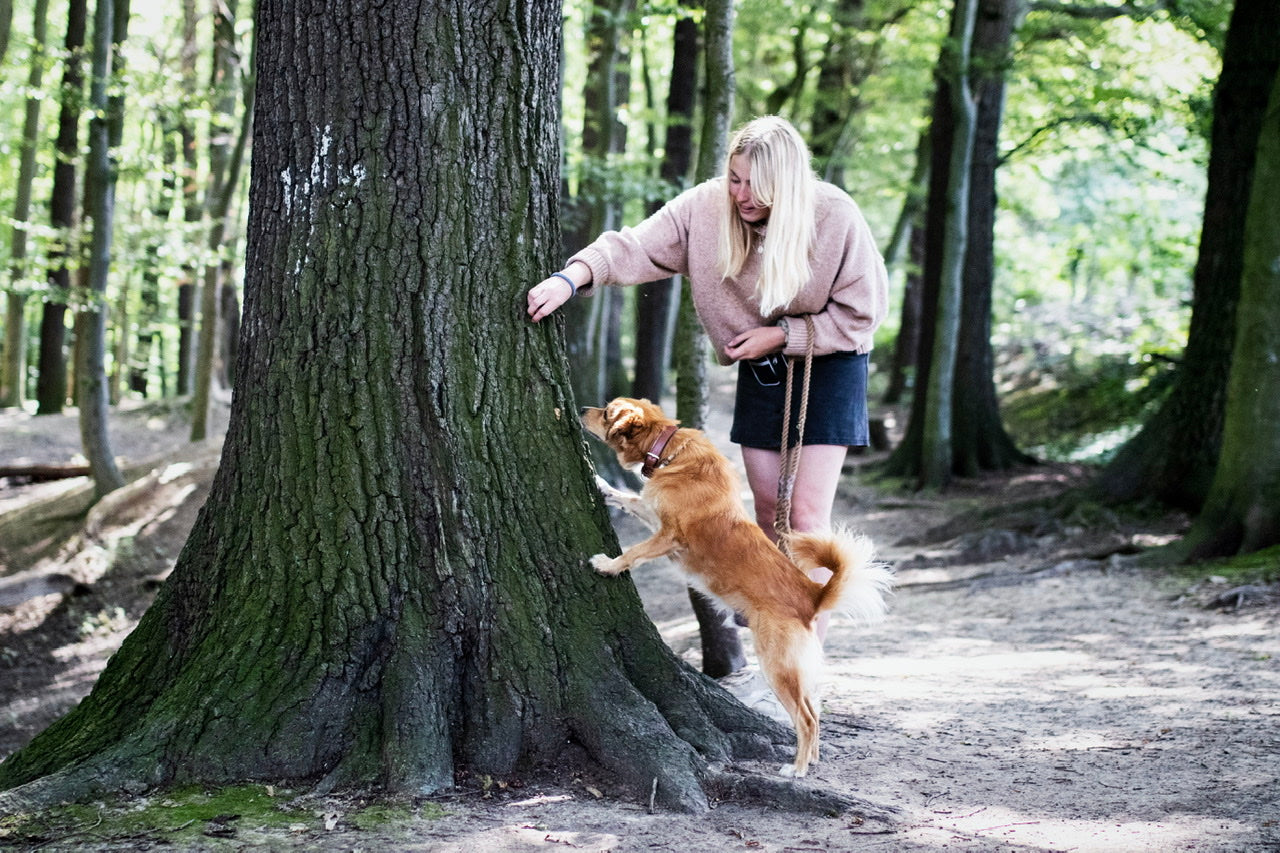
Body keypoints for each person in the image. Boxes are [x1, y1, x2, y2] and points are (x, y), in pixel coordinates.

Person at [527, 115, 889, 699]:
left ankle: (803, 675)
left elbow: (863, 313)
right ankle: (780, 654)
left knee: (805, 521)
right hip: (762, 370)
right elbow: (634, 246)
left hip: (828, 364)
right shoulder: (706, 208)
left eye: (755, 186)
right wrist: (571, 279)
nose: (741, 195)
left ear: (788, 186)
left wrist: (784, 335)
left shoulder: (834, 215)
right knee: (769, 513)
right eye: (735, 179)